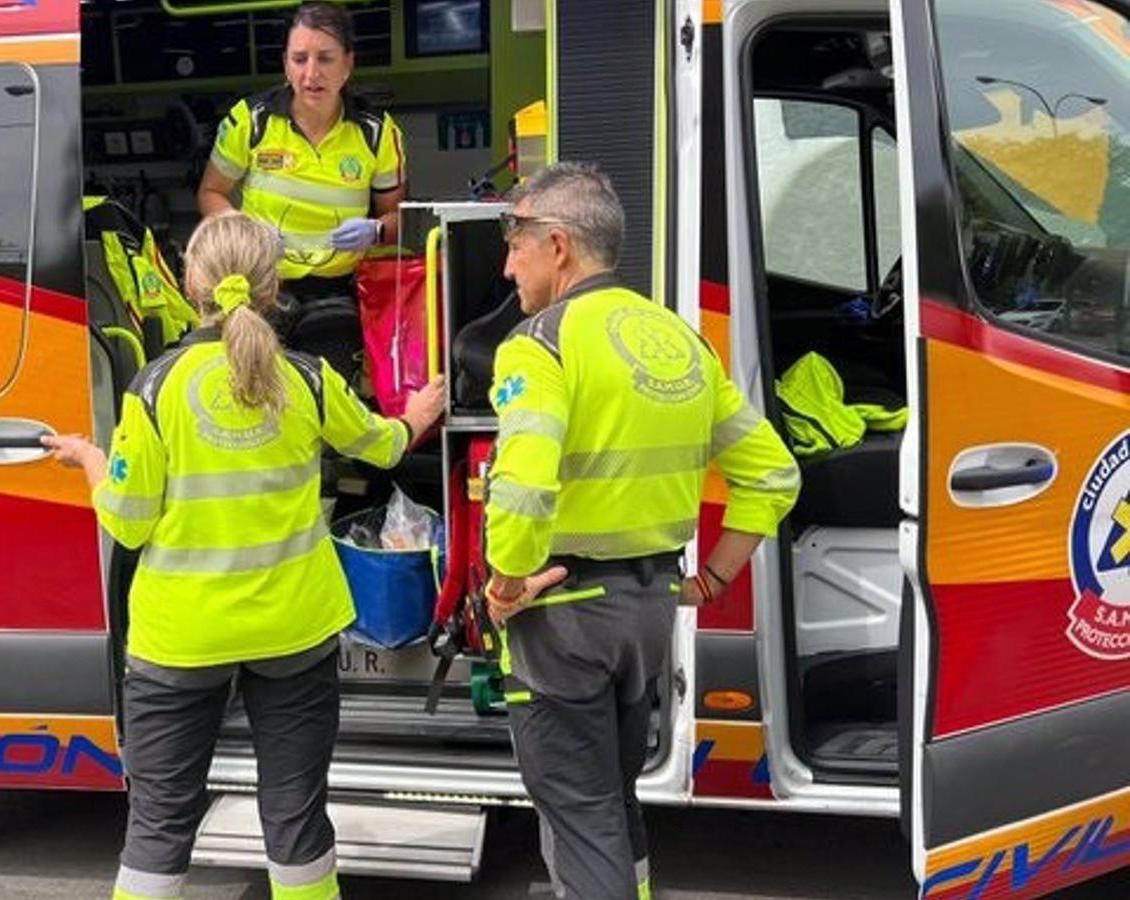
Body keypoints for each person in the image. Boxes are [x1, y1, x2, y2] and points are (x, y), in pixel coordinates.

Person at [43, 212, 444, 900]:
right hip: (294, 629)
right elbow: (381, 446)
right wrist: (420, 412)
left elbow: (130, 525)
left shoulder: (154, 387)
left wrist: (89, 460)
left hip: (180, 640)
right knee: (295, 821)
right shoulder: (310, 379)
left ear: (191, 281)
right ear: (274, 286)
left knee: (160, 826)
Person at [481, 163, 800, 900]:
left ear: (556, 244)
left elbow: (522, 488)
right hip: (648, 611)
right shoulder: (681, 341)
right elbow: (775, 474)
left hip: (558, 613)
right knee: (614, 801)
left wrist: (506, 583)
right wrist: (714, 577)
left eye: (515, 240)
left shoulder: (540, 344)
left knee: (580, 817)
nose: (506, 262)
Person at [197, 2, 406, 379]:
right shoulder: (250, 121)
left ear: (348, 64)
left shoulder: (377, 133)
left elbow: (398, 217)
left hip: (339, 294)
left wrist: (375, 232)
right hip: (259, 288)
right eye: (299, 58)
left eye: (325, 58)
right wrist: (247, 232)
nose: (312, 73)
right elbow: (210, 193)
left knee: (328, 400)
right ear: (285, 64)